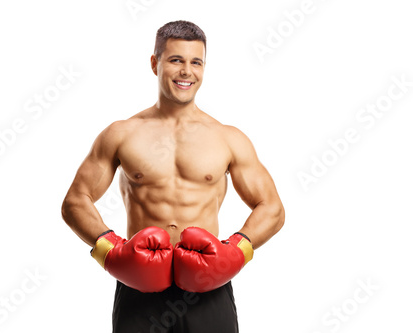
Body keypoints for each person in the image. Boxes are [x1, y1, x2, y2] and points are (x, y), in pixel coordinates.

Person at [61, 20, 285, 333]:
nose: (187, 72)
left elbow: (272, 208)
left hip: (209, 288)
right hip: (139, 288)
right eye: (176, 60)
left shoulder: (228, 138)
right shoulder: (122, 134)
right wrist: (112, 252)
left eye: (196, 62)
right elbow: (75, 201)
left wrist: (235, 253)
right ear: (155, 63)